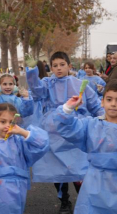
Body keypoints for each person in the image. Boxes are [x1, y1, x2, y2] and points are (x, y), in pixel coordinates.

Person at [26, 51, 104, 213]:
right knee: (56, 167)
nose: (59, 68)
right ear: (50, 68)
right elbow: (36, 90)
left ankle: (85, 201)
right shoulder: (47, 83)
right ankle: (64, 200)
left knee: (79, 166)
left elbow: (95, 105)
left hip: (76, 128)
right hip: (53, 130)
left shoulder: (80, 84)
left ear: (69, 66)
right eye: (55, 65)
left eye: (62, 65)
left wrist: (104, 120)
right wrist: (32, 71)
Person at [54, 82, 117, 214]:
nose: (113, 104)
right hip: (94, 183)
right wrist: (67, 109)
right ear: (102, 102)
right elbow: (68, 128)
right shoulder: (91, 125)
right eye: (109, 99)